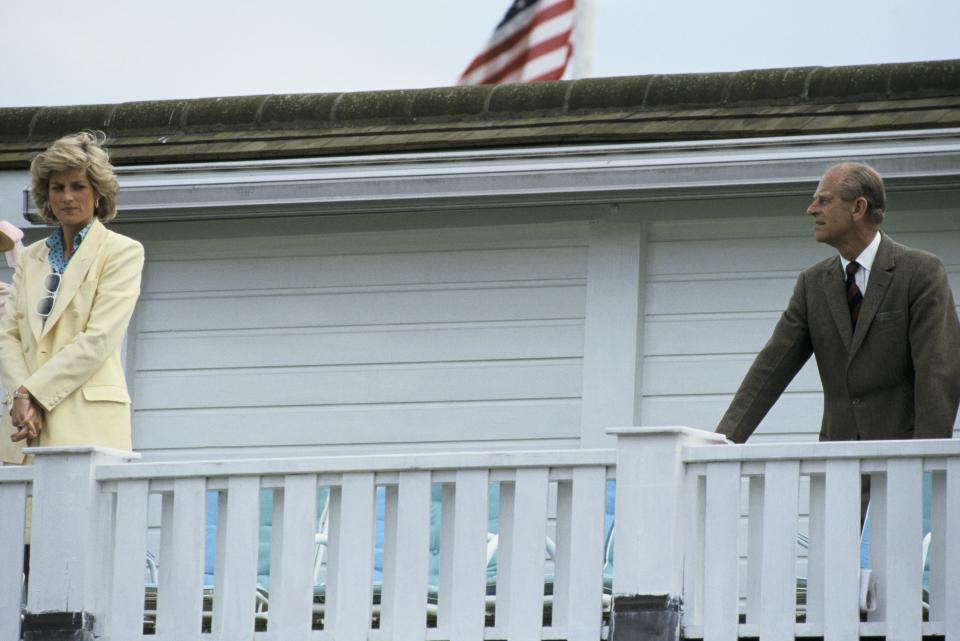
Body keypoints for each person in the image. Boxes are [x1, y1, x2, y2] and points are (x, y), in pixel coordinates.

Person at [717, 162, 960, 446]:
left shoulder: (920, 272)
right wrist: (722, 443)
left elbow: (938, 374)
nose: (812, 209)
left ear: (858, 208)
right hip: (836, 467)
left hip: (902, 465)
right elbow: (769, 371)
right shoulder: (812, 285)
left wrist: (924, 463)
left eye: (824, 200)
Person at [0, 131, 145, 465]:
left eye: (78, 186)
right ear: (46, 195)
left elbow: (98, 339)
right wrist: (19, 400)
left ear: (98, 194)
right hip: (23, 425)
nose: (67, 197)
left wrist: (29, 392)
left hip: (88, 427)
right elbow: (9, 334)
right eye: (57, 187)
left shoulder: (122, 252)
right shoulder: (30, 258)